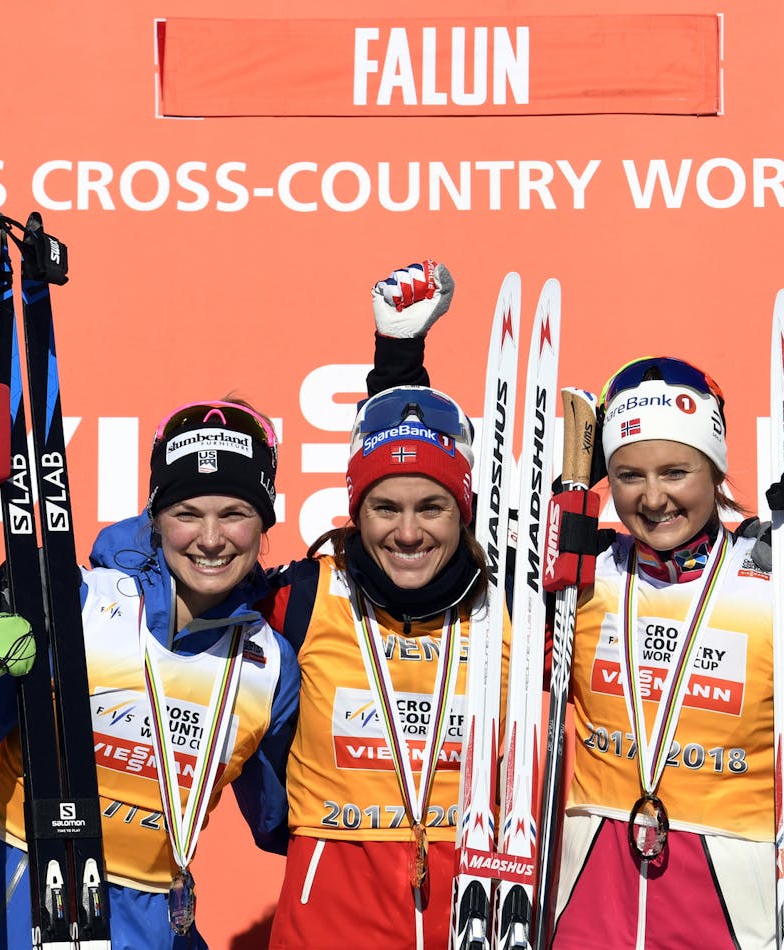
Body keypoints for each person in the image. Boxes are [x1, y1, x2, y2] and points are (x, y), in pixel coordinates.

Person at [546, 357, 784, 949]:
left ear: (715, 473)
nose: (653, 498)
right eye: (629, 475)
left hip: (732, 915)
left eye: (676, 471)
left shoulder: (772, 589)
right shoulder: (583, 577)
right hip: (592, 910)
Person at [0, 400, 299, 949]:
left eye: (234, 514)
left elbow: (288, 821)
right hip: (17, 910)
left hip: (153, 928)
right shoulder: (75, 603)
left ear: (265, 520)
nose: (210, 539)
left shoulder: (269, 663)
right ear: (155, 517)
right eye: (187, 513)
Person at [258, 262, 499, 950]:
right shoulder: (303, 598)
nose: (409, 531)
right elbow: (187, 584)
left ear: (466, 514)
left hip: (480, 897)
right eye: (384, 508)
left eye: (434, 508)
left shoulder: (506, 609)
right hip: (331, 902)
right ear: (355, 513)